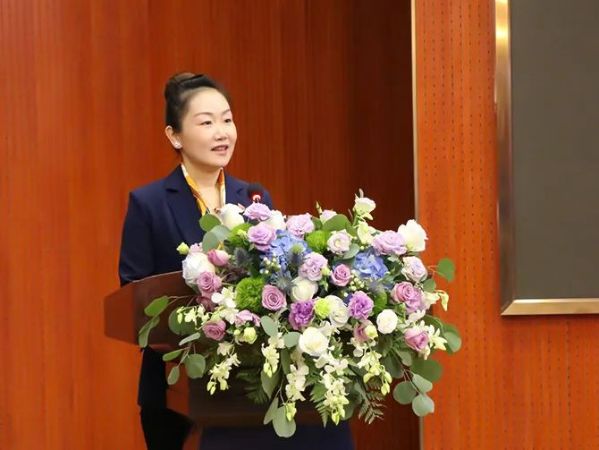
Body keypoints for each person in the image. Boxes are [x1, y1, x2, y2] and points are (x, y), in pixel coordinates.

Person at [118, 73, 354, 450]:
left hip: (248, 387)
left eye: (227, 120)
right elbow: (133, 299)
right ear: (175, 136)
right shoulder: (149, 203)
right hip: (175, 389)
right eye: (206, 122)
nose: (222, 132)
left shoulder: (255, 198)